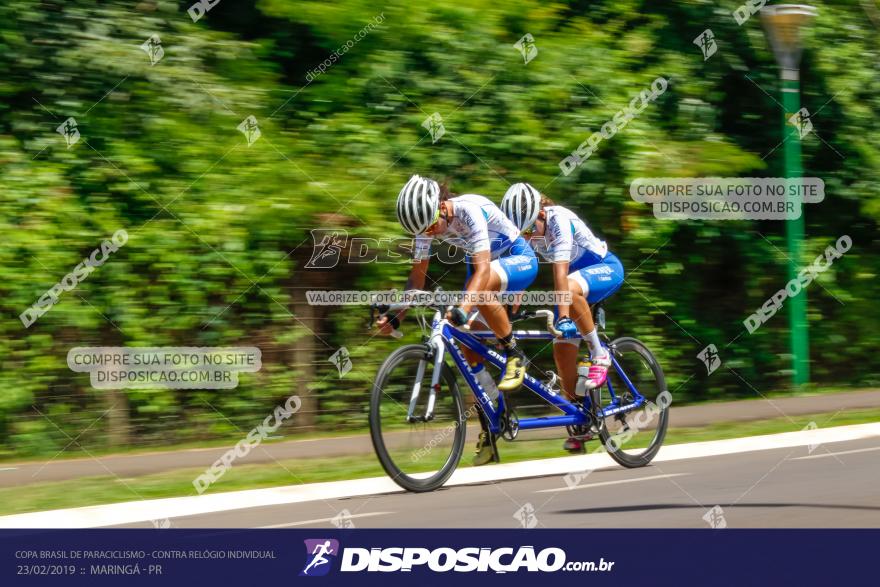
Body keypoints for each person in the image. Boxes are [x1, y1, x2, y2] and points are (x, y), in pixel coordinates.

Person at [377, 175, 538, 465]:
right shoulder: (424, 226)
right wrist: (395, 315)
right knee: (465, 343)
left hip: (517, 258)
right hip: (483, 269)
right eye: (423, 231)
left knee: (478, 291)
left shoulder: (469, 210)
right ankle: (493, 415)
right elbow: (417, 279)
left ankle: (515, 353)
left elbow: (482, 272)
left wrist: (463, 306)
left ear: (440, 207)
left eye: (431, 226)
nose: (430, 233)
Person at [500, 182, 624, 453]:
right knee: (562, 354)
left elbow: (560, 273)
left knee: (566, 286)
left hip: (605, 269)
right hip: (573, 285)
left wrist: (564, 318)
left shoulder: (559, 220)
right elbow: (522, 271)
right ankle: (582, 420)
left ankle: (599, 352)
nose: (530, 236)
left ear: (541, 214)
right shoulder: (531, 231)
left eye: (532, 228)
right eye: (524, 233)